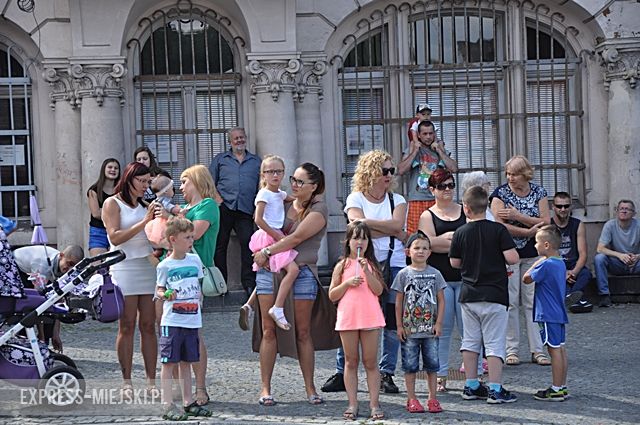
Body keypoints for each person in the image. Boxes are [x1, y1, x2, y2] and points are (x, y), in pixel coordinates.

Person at [252, 162, 338, 406]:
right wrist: (264, 252)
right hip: (271, 271)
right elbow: (263, 223)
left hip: (301, 272)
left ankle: (310, 388)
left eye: (300, 181)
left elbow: (297, 238)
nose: (294, 184)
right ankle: (265, 388)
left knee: (302, 331)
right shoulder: (284, 202)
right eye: (294, 179)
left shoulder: (319, 209)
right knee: (269, 330)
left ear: (314, 186)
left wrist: (266, 251)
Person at [322, 150, 407, 395]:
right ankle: (343, 370)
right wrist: (387, 229)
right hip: (360, 262)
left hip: (393, 263)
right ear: (371, 173)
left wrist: (371, 227)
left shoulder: (397, 200)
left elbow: (393, 225)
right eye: (384, 171)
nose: (389, 175)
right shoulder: (356, 198)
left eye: (391, 170)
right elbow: (357, 229)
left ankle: (386, 372)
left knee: (392, 320)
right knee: (351, 315)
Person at [450, 185, 520, 404]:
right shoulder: (499, 230)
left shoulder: (461, 232)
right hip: (495, 294)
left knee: (470, 341)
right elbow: (513, 258)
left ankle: (471, 385)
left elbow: (454, 262)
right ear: (487, 205)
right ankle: (495, 389)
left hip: (469, 294)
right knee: (494, 343)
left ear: (466, 208)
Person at [418, 169, 482, 392]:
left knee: (470, 329)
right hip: (440, 279)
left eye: (451, 185)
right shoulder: (427, 215)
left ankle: (476, 375)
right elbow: (427, 245)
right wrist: (452, 241)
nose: (448, 190)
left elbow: (474, 238)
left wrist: (445, 241)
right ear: (432, 189)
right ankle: (440, 375)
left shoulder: (464, 210)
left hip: (466, 277)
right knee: (441, 330)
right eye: (442, 186)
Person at [102, 162, 157, 395]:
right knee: (127, 325)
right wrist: (144, 222)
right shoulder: (112, 203)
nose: (145, 186)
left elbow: (155, 236)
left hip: (147, 267)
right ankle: (127, 380)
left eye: (148, 182)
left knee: (149, 325)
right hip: (123, 267)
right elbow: (115, 237)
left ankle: (151, 381)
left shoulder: (145, 204)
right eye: (142, 181)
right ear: (129, 179)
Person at [490, 155, 550, 367]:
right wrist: (527, 231)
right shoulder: (500, 194)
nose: (510, 178)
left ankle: (537, 350)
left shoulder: (539, 192)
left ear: (525, 174)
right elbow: (499, 224)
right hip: (510, 253)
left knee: (532, 301)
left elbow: (546, 221)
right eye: (508, 174)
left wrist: (518, 216)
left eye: (514, 174)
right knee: (511, 300)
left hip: (533, 254)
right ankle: (511, 349)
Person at [171, 164, 220, 406]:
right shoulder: (185, 210)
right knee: (175, 333)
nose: (181, 187)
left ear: (197, 181)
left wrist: (172, 217)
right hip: (172, 274)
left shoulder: (207, 206)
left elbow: (194, 235)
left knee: (194, 334)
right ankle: (183, 388)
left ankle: (200, 388)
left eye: (184, 181)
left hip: (193, 276)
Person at [156, 217, 212, 420]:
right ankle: (167, 404)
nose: (191, 241)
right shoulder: (165, 266)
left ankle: (189, 402)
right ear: (173, 239)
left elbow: (198, 285)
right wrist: (166, 294)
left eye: (191, 236)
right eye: (187, 237)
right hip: (172, 321)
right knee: (169, 363)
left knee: (188, 362)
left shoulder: (195, 260)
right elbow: (159, 290)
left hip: (192, 320)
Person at [328, 221, 386, 421]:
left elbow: (378, 290)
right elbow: (332, 295)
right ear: (348, 241)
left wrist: (367, 272)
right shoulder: (341, 265)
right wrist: (346, 283)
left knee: (370, 362)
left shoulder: (371, 264)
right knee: (350, 361)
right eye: (356, 238)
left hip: (369, 315)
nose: (360, 241)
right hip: (349, 317)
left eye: (364, 238)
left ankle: (374, 403)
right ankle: (352, 403)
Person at [393, 231, 445, 414]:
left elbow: (441, 300)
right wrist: (399, 325)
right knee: (410, 366)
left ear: (430, 252)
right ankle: (412, 398)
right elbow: (399, 301)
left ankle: (432, 398)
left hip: (430, 330)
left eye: (424, 248)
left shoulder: (436, 274)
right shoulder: (403, 274)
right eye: (417, 248)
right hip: (410, 330)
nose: (421, 251)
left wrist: (439, 323)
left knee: (432, 365)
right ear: (408, 251)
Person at [247, 155, 299, 331]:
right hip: (269, 234)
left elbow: (292, 199)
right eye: (270, 172)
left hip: (276, 233)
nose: (275, 175)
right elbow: (258, 219)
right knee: (293, 269)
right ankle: (277, 307)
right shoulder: (264, 193)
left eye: (279, 171)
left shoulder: (280, 193)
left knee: (270, 271)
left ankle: (250, 304)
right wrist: (276, 236)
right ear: (263, 175)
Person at [209, 127, 261, 298]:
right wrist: (218, 200)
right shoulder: (220, 160)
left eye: (242, 137)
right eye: (236, 138)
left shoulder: (255, 161)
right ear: (229, 141)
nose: (239, 140)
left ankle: (248, 284)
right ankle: (220, 285)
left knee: (248, 244)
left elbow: (261, 185)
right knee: (219, 245)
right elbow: (209, 183)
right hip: (224, 208)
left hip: (246, 208)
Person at [523, 225, 571, 402]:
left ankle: (556, 388)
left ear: (546, 245)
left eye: (536, 242)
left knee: (553, 349)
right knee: (561, 348)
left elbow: (526, 279)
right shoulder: (560, 262)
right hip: (558, 312)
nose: (534, 245)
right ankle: (562, 385)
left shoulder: (545, 264)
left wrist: (536, 263)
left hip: (548, 313)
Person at [397, 120, 458, 235]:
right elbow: (401, 170)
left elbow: (453, 168)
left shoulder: (440, 149)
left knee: (438, 232)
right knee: (415, 235)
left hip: (437, 198)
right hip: (417, 198)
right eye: (425, 134)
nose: (428, 137)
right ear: (419, 135)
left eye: (431, 133)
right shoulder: (412, 149)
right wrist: (415, 151)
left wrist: (440, 151)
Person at [550, 192, 593, 312]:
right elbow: (545, 255)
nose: (563, 209)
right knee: (553, 275)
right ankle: (578, 301)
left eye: (566, 206)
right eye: (559, 206)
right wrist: (562, 272)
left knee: (586, 274)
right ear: (553, 207)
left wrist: (573, 272)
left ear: (571, 207)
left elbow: (583, 253)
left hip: (573, 264)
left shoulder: (578, 224)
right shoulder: (548, 225)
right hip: (556, 264)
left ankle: (571, 298)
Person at [594, 199, 640, 307]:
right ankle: (604, 296)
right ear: (617, 211)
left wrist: (638, 256)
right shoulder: (610, 225)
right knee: (599, 258)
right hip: (617, 263)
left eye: (627, 209)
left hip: (636, 263)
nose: (624, 211)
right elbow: (600, 248)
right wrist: (619, 255)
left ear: (634, 213)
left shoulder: (638, 225)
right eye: (621, 209)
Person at [87, 158, 120, 256]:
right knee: (98, 267)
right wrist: (114, 212)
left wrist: (104, 211)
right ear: (103, 170)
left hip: (117, 231)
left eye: (116, 168)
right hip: (98, 232)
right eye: (110, 167)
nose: (113, 170)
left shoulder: (121, 190)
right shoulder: (93, 190)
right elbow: (96, 213)